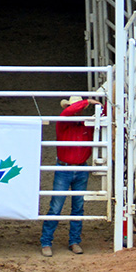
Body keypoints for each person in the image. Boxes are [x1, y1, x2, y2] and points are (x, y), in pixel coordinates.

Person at [40, 94, 102, 257]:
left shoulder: (85, 124)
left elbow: (104, 116)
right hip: (67, 167)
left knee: (76, 207)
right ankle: (48, 241)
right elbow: (67, 113)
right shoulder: (65, 121)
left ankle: (71, 241)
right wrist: (87, 102)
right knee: (57, 207)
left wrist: (96, 106)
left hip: (77, 168)